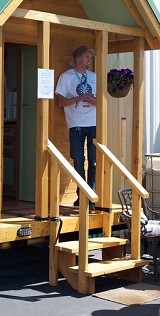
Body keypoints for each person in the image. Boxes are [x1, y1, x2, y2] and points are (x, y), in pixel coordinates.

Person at [55, 45, 97, 210]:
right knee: (78, 160)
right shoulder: (66, 77)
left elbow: (103, 101)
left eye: (90, 57)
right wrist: (79, 98)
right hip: (76, 124)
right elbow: (60, 102)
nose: (90, 60)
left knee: (93, 162)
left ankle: (91, 198)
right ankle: (82, 196)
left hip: (94, 123)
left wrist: (95, 102)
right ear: (78, 59)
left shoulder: (94, 76)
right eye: (87, 57)